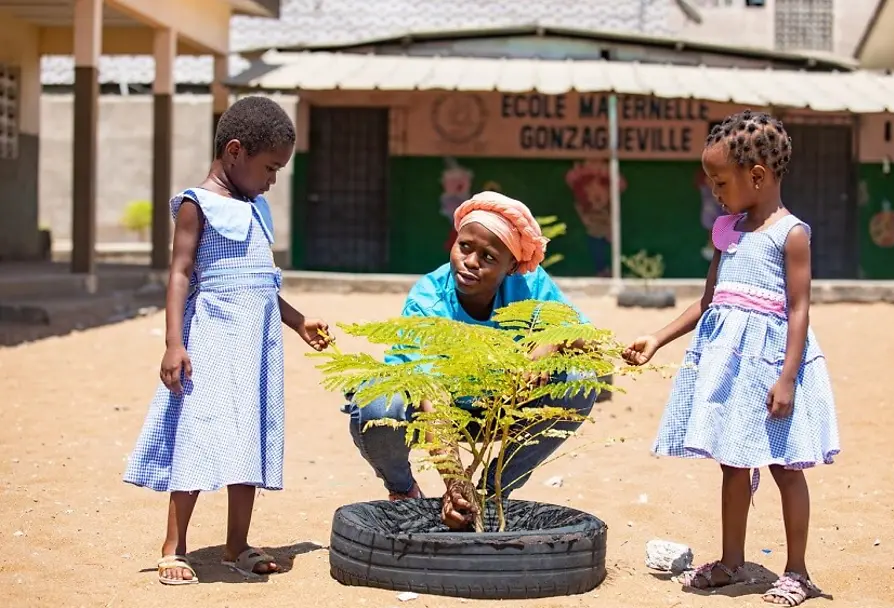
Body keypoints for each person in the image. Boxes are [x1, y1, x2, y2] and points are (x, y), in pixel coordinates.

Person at [623, 110, 840, 606]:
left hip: (772, 369)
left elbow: (800, 309)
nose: (715, 191)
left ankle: (798, 572)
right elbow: (708, 301)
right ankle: (731, 561)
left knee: (786, 467)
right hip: (731, 371)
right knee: (731, 464)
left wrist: (787, 378)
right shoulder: (727, 231)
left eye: (720, 182)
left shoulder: (792, 235)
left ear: (757, 176)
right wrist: (658, 337)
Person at [123, 96, 332, 586]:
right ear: (234, 151)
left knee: (248, 440)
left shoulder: (256, 207)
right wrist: (174, 343)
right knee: (200, 434)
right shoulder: (198, 205)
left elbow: (260, 282)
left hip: (256, 349)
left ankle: (237, 543)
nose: (273, 180)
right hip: (213, 343)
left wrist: (298, 321)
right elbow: (179, 275)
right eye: (270, 168)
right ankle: (175, 546)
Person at [343, 191, 598, 529]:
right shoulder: (429, 298)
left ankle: (493, 492)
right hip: (428, 413)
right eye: (464, 247)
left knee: (579, 381)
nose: (471, 261)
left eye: (489, 257)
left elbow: (590, 338)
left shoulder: (531, 285)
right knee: (376, 405)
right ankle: (403, 490)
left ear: (512, 267)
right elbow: (430, 395)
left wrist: (550, 343)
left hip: (501, 410)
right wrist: (454, 482)